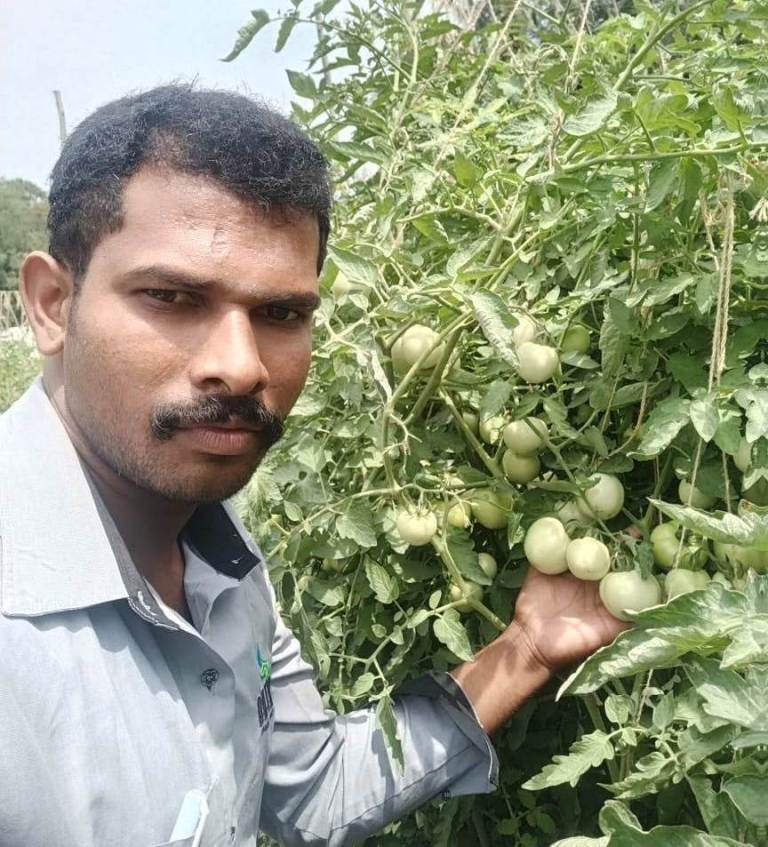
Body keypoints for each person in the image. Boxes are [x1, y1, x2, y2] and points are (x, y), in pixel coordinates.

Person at [0, 84, 625, 847]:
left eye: (282, 314)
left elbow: (315, 791)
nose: (240, 366)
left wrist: (524, 648)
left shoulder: (218, 551)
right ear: (52, 304)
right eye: (171, 296)